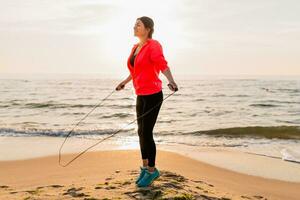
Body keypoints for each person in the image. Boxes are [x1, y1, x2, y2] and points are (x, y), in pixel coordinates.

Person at [115, 16, 178, 187]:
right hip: (140, 94)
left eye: (138, 25)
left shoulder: (154, 45)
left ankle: (152, 170)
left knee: (147, 132)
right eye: (134, 24)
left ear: (148, 29)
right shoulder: (135, 47)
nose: (134, 27)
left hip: (153, 95)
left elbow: (162, 64)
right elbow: (135, 70)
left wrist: (171, 81)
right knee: (140, 131)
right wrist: (124, 82)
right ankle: (144, 167)